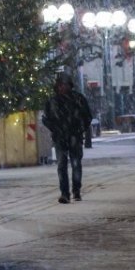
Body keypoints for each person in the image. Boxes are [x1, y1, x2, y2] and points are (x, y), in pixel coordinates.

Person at [41, 72, 93, 204]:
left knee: (75, 164)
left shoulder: (78, 99)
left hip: (74, 136)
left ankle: (76, 190)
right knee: (62, 165)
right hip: (60, 137)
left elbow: (87, 116)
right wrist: (56, 129)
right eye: (60, 85)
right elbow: (46, 119)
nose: (62, 88)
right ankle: (65, 192)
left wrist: (80, 129)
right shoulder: (53, 102)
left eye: (64, 85)